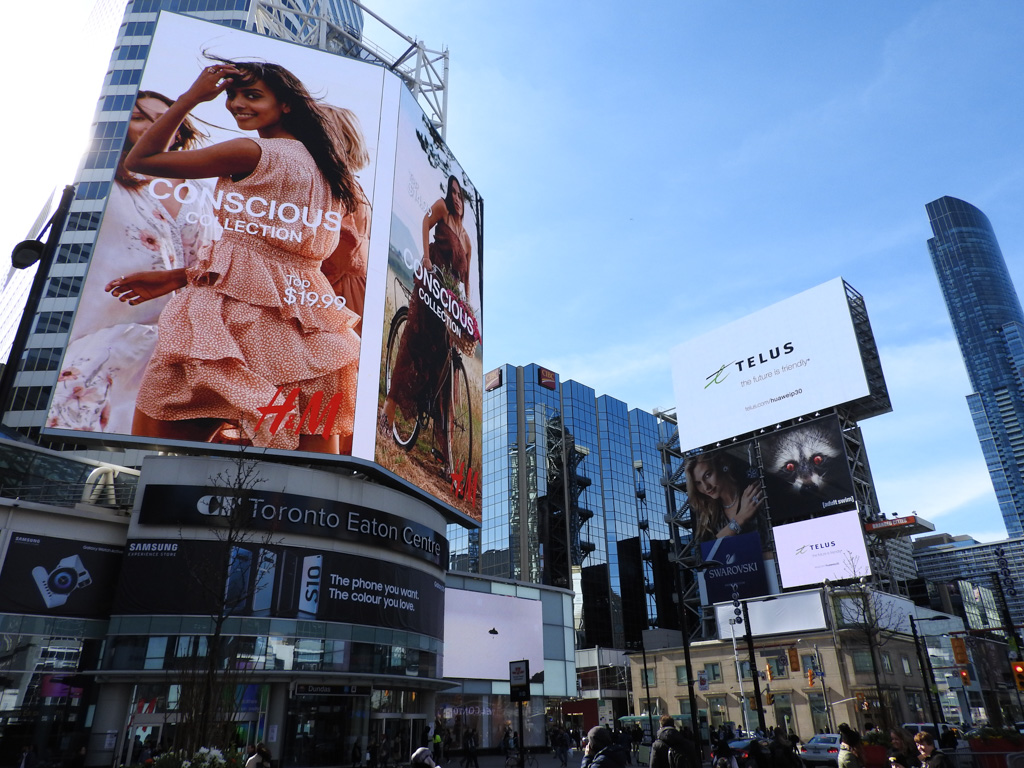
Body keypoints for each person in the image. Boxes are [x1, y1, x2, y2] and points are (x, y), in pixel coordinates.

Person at [112, 59, 362, 454]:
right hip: (310, 335)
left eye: (252, 95)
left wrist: (191, 98)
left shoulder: (251, 151)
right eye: (231, 94)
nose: (234, 104)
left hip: (229, 329)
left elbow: (140, 161)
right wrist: (180, 276)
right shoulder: (332, 177)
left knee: (149, 459)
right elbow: (275, 258)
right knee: (308, 484)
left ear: (286, 105)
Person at [49, 90, 217, 434]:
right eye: (140, 118)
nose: (151, 127)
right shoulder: (101, 177)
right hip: (98, 322)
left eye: (161, 119)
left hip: (170, 334)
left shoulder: (202, 193)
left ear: (181, 130)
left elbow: (210, 260)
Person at [379, 175, 474, 467]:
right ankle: (388, 414)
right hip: (430, 281)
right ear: (449, 195)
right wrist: (427, 258)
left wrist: (467, 303)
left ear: (465, 202)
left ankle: (444, 449)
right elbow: (424, 222)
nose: (456, 198)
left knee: (443, 358)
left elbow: (467, 277)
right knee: (414, 341)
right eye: (453, 193)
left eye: (460, 195)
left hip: (448, 294)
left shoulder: (467, 239)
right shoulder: (441, 210)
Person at [320, 106, 371, 335]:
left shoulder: (339, 187)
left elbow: (340, 255)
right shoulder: (350, 185)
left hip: (337, 291)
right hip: (348, 288)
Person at [685, 450, 765, 541]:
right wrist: (740, 518)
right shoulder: (707, 513)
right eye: (698, 483)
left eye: (708, 475)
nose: (706, 487)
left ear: (722, 465)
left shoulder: (752, 494)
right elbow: (703, 552)